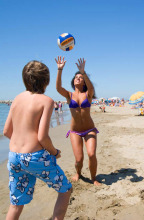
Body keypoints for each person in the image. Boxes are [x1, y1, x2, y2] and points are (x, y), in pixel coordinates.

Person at [3, 60, 72, 220]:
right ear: (46, 81)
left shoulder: (17, 98)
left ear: (24, 79)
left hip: (14, 156)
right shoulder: (46, 101)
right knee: (65, 189)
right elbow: (42, 137)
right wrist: (54, 152)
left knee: (16, 202)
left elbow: (6, 131)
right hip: (34, 157)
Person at [55, 56, 101, 186]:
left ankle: (93, 178)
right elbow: (58, 88)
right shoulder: (69, 95)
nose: (78, 78)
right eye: (76, 77)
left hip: (89, 129)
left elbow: (91, 88)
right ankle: (78, 173)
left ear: (84, 82)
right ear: (73, 81)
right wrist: (60, 70)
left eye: (80, 78)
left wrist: (83, 72)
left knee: (91, 154)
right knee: (79, 159)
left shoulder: (88, 94)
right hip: (75, 131)